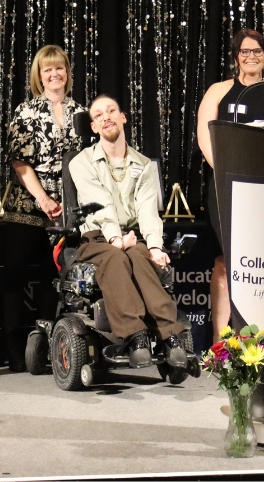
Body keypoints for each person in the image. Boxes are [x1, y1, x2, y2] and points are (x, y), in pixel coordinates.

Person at [68, 95, 187, 369]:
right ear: (94, 127)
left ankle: (170, 334)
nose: (106, 116)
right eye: (98, 115)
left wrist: (156, 246)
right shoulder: (81, 162)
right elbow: (98, 205)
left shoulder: (144, 165)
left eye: (111, 111)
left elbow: (147, 210)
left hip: (133, 236)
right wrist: (115, 239)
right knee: (117, 257)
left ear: (123, 118)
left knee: (141, 255)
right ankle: (136, 336)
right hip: (97, 238)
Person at [196, 29, 264, 342]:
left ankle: (258, 338)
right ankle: (220, 342)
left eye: (257, 52)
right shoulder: (219, 91)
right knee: (227, 260)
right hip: (225, 185)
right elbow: (204, 135)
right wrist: (224, 170)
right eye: (245, 51)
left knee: (262, 261)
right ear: (236, 56)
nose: (251, 57)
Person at [1, 44, 86, 371]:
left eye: (59, 68)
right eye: (47, 69)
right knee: (15, 273)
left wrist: (68, 200)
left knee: (59, 277)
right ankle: (12, 347)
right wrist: (43, 198)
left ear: (67, 71)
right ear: (39, 75)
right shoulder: (26, 111)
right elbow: (19, 162)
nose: (54, 74)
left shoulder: (81, 112)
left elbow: (87, 162)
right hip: (29, 203)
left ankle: (49, 344)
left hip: (68, 206)